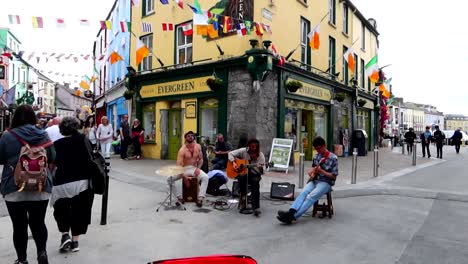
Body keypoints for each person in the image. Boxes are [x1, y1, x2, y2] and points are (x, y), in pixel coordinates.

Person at [0, 104, 56, 264]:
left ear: (15, 118)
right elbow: (52, 157)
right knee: (38, 223)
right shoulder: (43, 134)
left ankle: (22, 260)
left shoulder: (7, 136)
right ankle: (42, 252)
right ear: (33, 117)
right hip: (41, 186)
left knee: (19, 227)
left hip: (14, 187)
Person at [51, 117, 94, 254]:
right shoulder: (83, 140)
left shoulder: (56, 144)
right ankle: (75, 242)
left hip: (61, 183)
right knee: (79, 211)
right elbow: (90, 159)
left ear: (61, 129)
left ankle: (65, 234)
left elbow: (52, 163)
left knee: (61, 209)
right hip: (80, 182)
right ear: (76, 126)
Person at [277, 137, 338, 224]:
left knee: (311, 196)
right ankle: (291, 211)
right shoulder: (317, 156)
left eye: (319, 148)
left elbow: (334, 177)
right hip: (315, 180)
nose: (318, 151)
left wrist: (322, 172)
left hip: (326, 182)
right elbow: (313, 168)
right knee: (303, 192)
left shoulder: (333, 158)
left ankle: (293, 217)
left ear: (324, 146)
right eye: (316, 149)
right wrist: (312, 172)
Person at [168, 131, 209, 207]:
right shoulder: (182, 150)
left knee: (205, 177)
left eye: (192, 136)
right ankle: (178, 197)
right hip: (183, 169)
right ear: (185, 138)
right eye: (188, 136)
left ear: (194, 137)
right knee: (169, 179)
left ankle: (200, 198)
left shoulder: (198, 146)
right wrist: (184, 177)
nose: (190, 137)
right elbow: (179, 166)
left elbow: (201, 159)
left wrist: (198, 168)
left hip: (193, 168)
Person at [228, 138, 265, 216]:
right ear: (248, 146)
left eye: (255, 147)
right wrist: (234, 162)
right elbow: (230, 154)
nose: (253, 148)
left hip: (254, 175)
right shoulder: (243, 151)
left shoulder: (260, 155)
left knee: (255, 183)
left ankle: (256, 207)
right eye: (251, 146)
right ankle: (243, 198)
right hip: (243, 174)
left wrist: (260, 168)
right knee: (242, 178)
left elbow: (263, 172)